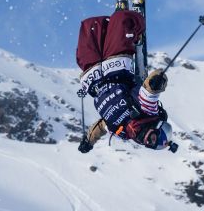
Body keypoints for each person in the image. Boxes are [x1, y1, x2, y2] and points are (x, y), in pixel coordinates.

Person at [75, 10, 175, 153]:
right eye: (153, 138)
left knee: (89, 27)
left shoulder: (122, 132)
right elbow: (149, 93)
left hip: (92, 75)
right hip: (115, 62)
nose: (147, 141)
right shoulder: (147, 112)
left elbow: (102, 126)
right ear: (156, 128)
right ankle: (134, 30)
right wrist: (157, 81)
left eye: (150, 144)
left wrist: (89, 141)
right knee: (122, 19)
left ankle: (108, 29)